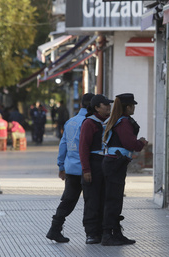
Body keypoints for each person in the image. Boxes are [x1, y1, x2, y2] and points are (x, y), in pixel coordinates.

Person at [46, 93, 94, 243]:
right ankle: (91, 234)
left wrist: (61, 166)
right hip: (87, 170)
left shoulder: (70, 122)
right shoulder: (91, 123)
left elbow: (63, 145)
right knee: (91, 202)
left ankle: (54, 229)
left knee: (67, 201)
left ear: (81, 105)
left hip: (71, 168)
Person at [101, 93, 148, 246]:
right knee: (113, 200)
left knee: (115, 199)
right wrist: (141, 143)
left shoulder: (116, 120)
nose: (134, 108)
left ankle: (116, 232)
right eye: (132, 105)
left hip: (113, 163)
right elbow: (130, 144)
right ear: (128, 107)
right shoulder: (124, 122)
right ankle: (108, 235)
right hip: (115, 164)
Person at [79, 94, 113, 245]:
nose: (109, 107)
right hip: (94, 164)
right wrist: (86, 169)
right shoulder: (89, 123)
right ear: (97, 107)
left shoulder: (110, 122)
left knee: (106, 198)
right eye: (105, 105)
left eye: (109, 105)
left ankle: (104, 230)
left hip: (107, 163)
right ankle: (91, 233)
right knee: (92, 199)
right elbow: (83, 148)